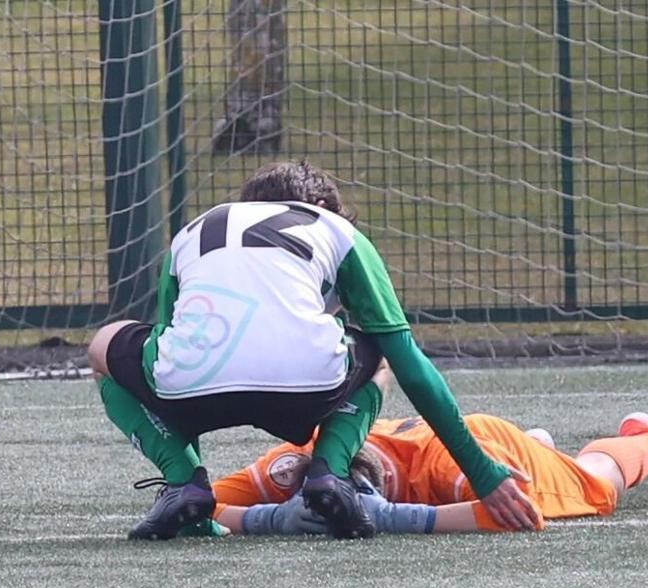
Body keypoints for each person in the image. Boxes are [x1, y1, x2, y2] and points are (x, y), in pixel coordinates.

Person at [87, 160, 537, 540]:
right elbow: (413, 367)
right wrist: (483, 474)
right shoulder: (337, 231)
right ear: (323, 208)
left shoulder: (191, 232)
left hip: (189, 396)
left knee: (104, 347)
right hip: (308, 391)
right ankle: (330, 472)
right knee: (381, 350)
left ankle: (184, 484)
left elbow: (169, 342)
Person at [203, 411, 648, 536]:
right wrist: (271, 516)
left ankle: (646, 444)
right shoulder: (294, 466)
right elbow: (199, 502)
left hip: (478, 449)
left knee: (596, 486)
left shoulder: (444, 473)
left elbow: (512, 515)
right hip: (457, 441)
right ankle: (539, 446)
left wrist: (386, 518)